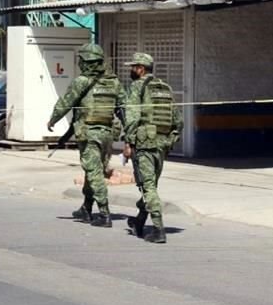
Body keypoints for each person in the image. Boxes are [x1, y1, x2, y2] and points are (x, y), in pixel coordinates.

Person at [47, 43, 122, 227]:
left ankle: (104, 213)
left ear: (86, 62)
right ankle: (86, 208)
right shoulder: (114, 82)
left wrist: (52, 120)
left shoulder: (82, 81)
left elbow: (66, 102)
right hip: (107, 134)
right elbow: (124, 108)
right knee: (94, 170)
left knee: (94, 172)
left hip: (89, 134)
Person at [121, 53, 183, 244]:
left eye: (133, 67)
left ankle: (158, 229)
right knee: (151, 186)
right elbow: (177, 120)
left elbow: (131, 117)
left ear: (141, 68)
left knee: (147, 187)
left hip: (145, 144)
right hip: (161, 144)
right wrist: (171, 140)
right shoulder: (165, 88)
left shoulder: (137, 86)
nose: (130, 70)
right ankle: (139, 221)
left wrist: (128, 143)